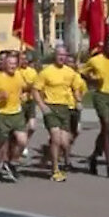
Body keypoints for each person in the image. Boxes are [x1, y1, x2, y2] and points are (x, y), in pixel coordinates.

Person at [32, 45, 87, 182]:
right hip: (51, 107)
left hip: (65, 109)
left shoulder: (70, 72)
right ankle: (55, 170)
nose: (62, 57)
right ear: (54, 56)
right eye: (59, 55)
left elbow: (76, 88)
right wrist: (42, 105)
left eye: (64, 55)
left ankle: (48, 153)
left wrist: (78, 99)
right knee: (56, 139)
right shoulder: (46, 72)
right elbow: (35, 90)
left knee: (64, 142)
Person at [82, 35, 109, 178]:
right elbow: (83, 73)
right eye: (108, 45)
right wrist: (92, 79)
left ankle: (94, 156)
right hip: (100, 95)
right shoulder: (95, 60)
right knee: (106, 126)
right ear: (104, 46)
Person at [0, 51, 29, 181]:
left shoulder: (19, 75)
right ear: (4, 64)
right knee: (1, 142)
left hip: (16, 112)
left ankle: (12, 162)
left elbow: (24, 87)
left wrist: (26, 91)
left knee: (22, 140)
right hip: (1, 113)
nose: (12, 66)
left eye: (15, 63)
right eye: (10, 63)